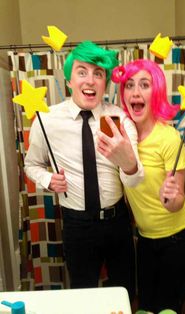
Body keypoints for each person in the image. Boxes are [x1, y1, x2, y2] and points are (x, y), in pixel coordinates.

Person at [24, 41, 144, 301]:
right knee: (83, 296)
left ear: (105, 82)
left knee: (123, 293)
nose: (90, 80)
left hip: (117, 222)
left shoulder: (121, 120)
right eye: (82, 71)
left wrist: (128, 162)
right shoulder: (46, 120)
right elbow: (31, 164)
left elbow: (134, 183)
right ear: (69, 80)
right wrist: (47, 180)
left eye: (98, 73)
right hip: (77, 224)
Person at [98, 59, 185, 314]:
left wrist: (170, 197)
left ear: (156, 92)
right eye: (129, 85)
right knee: (145, 308)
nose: (135, 92)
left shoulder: (168, 137)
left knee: (166, 309)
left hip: (184, 238)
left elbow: (177, 201)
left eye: (144, 85)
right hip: (147, 241)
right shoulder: (120, 134)